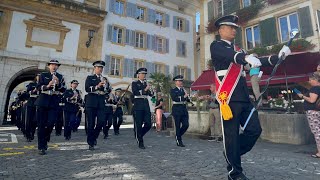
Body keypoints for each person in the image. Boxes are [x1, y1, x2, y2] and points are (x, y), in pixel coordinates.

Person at [210, 15, 291, 179]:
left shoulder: (239, 50)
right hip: (229, 97)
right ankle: (235, 172)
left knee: (254, 130)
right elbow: (232, 56)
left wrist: (278, 57)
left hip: (244, 97)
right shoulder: (216, 46)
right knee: (231, 134)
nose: (234, 30)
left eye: (235, 28)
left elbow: (256, 62)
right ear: (221, 30)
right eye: (230, 27)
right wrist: (246, 57)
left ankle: (232, 153)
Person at [34, 59, 66, 155]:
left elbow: (64, 89)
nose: (54, 66)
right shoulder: (43, 75)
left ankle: (46, 137)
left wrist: (58, 83)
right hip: (43, 100)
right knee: (41, 125)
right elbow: (38, 87)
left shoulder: (60, 77)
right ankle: (41, 147)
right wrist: (48, 85)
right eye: (52, 65)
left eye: (56, 65)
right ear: (49, 66)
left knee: (51, 123)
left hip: (54, 101)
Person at [85, 61, 107, 150]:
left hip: (101, 102)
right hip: (91, 103)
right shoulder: (90, 78)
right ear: (94, 68)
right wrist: (97, 86)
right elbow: (87, 89)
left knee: (101, 122)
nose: (100, 69)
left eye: (101, 68)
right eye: (98, 67)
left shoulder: (104, 79)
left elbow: (108, 90)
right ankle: (91, 143)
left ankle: (94, 137)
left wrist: (106, 87)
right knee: (91, 124)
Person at [297, 73, 320, 158]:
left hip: (313, 112)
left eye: (310, 80)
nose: (309, 82)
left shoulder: (315, 88)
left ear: (315, 80)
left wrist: (302, 96)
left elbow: (312, 100)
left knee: (317, 132)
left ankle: (319, 152)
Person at [131, 68, 153, 149]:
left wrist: (151, 90)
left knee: (148, 124)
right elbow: (135, 92)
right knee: (138, 124)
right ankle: (140, 141)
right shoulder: (135, 83)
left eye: (145, 74)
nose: (144, 75)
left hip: (145, 104)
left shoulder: (146, 83)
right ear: (138, 75)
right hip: (138, 104)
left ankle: (139, 135)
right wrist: (146, 89)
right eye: (142, 74)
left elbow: (151, 95)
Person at [170, 75, 190, 147]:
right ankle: (179, 140)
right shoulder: (173, 90)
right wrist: (183, 97)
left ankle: (178, 136)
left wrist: (188, 97)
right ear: (176, 82)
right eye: (179, 81)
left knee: (186, 125)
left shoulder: (183, 90)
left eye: (181, 81)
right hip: (177, 109)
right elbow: (175, 98)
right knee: (177, 126)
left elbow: (187, 100)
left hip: (184, 109)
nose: (181, 82)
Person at [25, 75, 39, 142]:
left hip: (38, 104)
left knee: (35, 120)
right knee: (29, 120)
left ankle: (32, 133)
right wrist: (34, 90)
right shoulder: (32, 84)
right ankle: (28, 135)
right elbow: (28, 93)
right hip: (31, 103)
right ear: (36, 78)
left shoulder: (44, 85)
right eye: (38, 76)